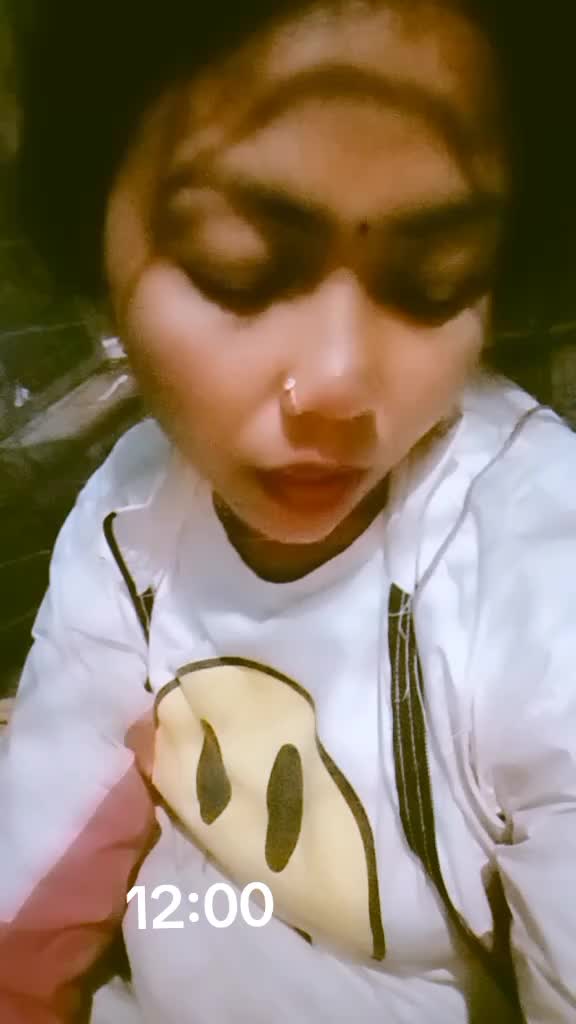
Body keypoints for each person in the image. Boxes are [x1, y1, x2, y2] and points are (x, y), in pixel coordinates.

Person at [1, 1, 576, 1021]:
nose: (338, 386)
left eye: (436, 282)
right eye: (237, 268)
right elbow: (37, 873)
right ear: (93, 240)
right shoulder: (134, 513)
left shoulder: (531, 559)